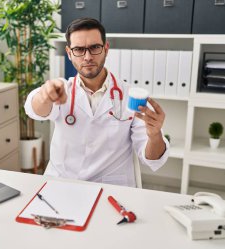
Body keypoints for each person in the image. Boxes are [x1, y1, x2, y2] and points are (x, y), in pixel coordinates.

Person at [24, 18, 169, 187]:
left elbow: (152, 159)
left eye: (94, 47)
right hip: (63, 182)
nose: (87, 57)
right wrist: (44, 96)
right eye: (79, 49)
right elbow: (34, 110)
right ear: (69, 53)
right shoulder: (61, 90)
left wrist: (155, 135)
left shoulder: (131, 97)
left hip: (111, 188)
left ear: (106, 49)